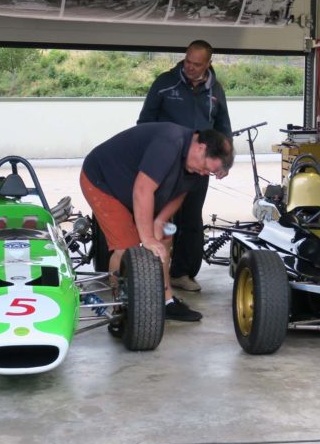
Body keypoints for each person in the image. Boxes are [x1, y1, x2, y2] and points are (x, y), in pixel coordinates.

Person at [80, 123, 234, 323]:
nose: (204, 173)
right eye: (206, 168)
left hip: (137, 189)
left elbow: (180, 193)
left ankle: (166, 301)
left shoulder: (197, 169)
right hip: (104, 181)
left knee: (164, 239)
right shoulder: (169, 143)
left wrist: (160, 221)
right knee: (127, 248)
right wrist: (148, 238)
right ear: (201, 147)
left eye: (210, 172)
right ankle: (120, 309)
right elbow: (142, 190)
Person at [138, 40, 232, 293]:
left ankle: (182, 273)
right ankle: (151, 270)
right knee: (161, 215)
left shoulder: (216, 90)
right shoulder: (165, 83)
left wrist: (224, 161)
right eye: (188, 61)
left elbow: (223, 128)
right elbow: (145, 121)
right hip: (165, 163)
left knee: (190, 218)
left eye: (197, 64)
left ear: (208, 64)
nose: (190, 67)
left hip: (199, 164)